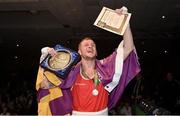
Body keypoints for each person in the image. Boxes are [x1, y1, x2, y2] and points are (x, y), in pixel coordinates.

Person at [36, 6, 141, 115]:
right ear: (79, 52)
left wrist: (125, 23)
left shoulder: (106, 65)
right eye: (86, 45)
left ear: (96, 52)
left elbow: (128, 48)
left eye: (93, 45)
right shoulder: (70, 72)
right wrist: (47, 59)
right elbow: (45, 85)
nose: (90, 47)